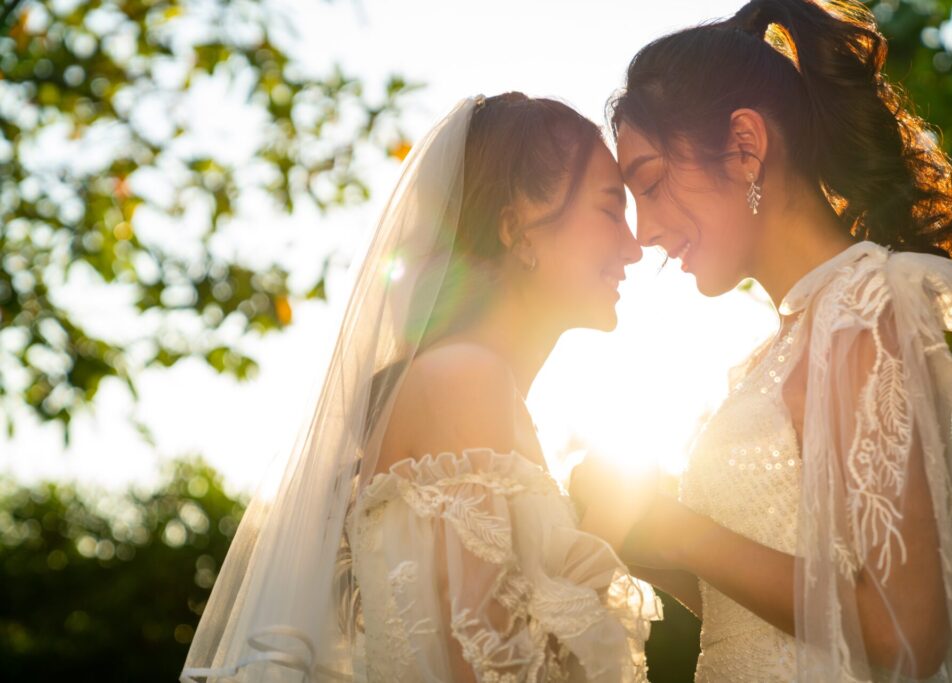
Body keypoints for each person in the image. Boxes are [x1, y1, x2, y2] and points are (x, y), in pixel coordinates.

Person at [571, 1, 952, 680]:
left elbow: (906, 631)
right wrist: (644, 534)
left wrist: (678, 528)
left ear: (746, 145)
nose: (645, 232)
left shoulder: (868, 310)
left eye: (653, 183)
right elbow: (771, 614)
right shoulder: (773, 352)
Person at [181, 93, 660, 683]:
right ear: (518, 229)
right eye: (611, 211)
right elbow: (491, 667)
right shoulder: (465, 379)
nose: (635, 246)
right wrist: (612, 521)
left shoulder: (471, 383)